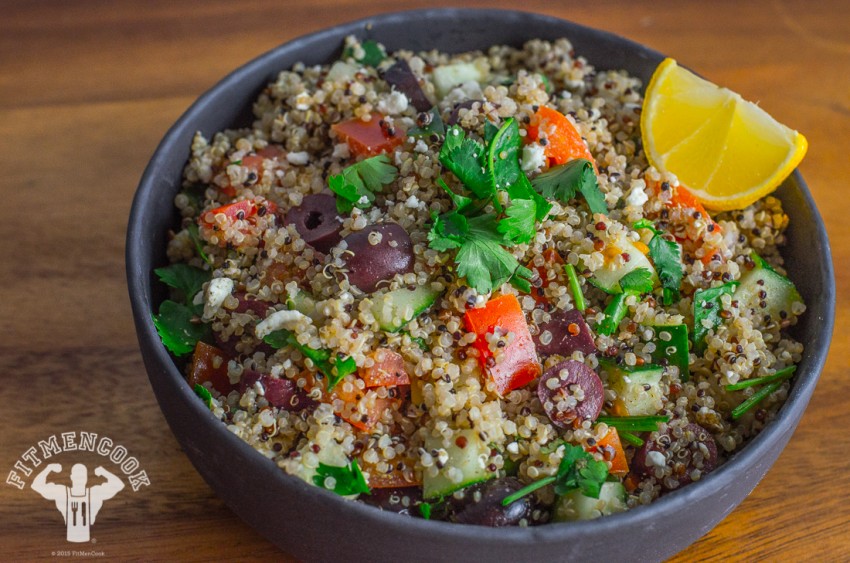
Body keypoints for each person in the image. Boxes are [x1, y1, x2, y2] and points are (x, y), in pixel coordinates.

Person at [31, 463, 124, 543]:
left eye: (82, 476)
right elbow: (36, 485)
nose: (79, 479)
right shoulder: (63, 492)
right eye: (77, 475)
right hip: (67, 540)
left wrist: (104, 472)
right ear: (71, 477)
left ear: (87, 478)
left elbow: (119, 485)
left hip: (89, 541)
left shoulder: (94, 493)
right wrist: (48, 468)